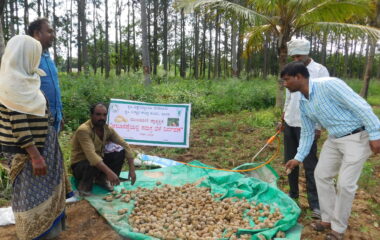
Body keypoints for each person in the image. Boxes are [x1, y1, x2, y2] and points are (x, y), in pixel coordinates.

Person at [282, 61, 380, 240]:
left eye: (287, 80)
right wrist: (298, 157)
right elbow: (307, 132)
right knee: (321, 175)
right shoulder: (303, 102)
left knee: (345, 185)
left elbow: (361, 106)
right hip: (334, 138)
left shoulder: (329, 85)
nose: (285, 84)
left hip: (357, 137)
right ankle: (327, 218)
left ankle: (339, 228)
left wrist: (375, 134)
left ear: (299, 77)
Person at [0, 35, 73, 240]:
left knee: (48, 191)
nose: (37, 59)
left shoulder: (28, 79)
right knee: (30, 196)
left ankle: (52, 231)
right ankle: (34, 234)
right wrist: (35, 156)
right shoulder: (13, 84)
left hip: (44, 147)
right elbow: (19, 125)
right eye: (35, 55)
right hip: (28, 153)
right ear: (25, 55)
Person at [280, 38, 329, 218]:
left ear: (307, 53)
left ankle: (315, 203)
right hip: (291, 122)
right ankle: (293, 196)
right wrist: (283, 118)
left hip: (308, 125)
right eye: (294, 56)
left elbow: (322, 99)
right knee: (291, 161)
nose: (296, 59)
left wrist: (318, 126)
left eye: (299, 56)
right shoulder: (292, 70)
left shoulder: (320, 70)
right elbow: (288, 97)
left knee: (310, 165)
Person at [71, 103, 137, 196]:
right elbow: (92, 156)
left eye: (104, 115)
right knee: (90, 163)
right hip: (81, 165)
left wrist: (132, 169)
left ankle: (103, 179)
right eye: (98, 114)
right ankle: (84, 187)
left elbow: (124, 144)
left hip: (97, 162)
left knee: (120, 151)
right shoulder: (84, 130)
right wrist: (109, 172)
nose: (102, 118)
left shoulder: (107, 129)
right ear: (91, 115)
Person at [28, 18, 64, 132]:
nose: (53, 36)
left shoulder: (47, 56)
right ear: (37, 34)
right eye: (49, 31)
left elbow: (54, 86)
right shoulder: (29, 55)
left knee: (52, 148)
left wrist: (60, 114)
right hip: (39, 118)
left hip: (54, 116)